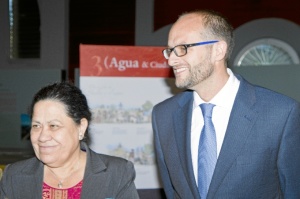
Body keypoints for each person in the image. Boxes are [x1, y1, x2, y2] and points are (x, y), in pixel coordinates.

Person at [152, 9, 300, 199]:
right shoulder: (163, 115)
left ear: (217, 50)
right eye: (170, 50)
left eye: (183, 48)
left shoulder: (280, 114)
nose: (171, 59)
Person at [0, 82, 140, 199]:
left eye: (53, 126)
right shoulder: (14, 176)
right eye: (36, 126)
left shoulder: (117, 173)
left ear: (81, 127)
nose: (42, 137)